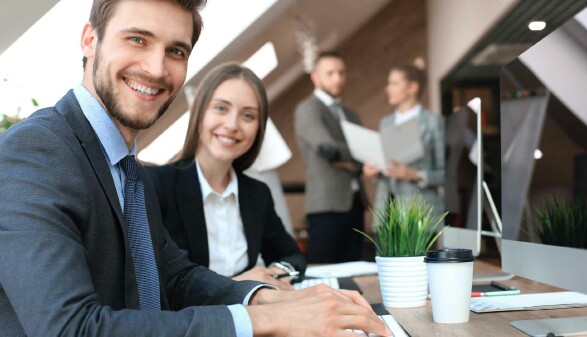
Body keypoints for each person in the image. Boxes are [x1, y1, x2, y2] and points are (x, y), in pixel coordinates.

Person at [0, 1, 391, 336]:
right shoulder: (36, 151)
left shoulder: (127, 168)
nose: (156, 68)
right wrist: (262, 319)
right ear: (90, 39)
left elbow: (174, 276)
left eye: (176, 51)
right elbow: (71, 329)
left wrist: (275, 298)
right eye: (137, 39)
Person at [146, 63, 304, 290]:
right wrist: (240, 285)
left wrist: (277, 273)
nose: (232, 125)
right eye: (221, 108)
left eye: (248, 116)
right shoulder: (157, 184)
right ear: (200, 113)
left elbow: (291, 256)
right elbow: (159, 286)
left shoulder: (256, 194)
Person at [294, 51, 367, 264]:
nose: (337, 78)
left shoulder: (351, 114)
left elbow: (354, 155)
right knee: (323, 269)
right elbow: (327, 148)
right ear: (315, 77)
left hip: (355, 202)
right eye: (330, 73)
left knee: (354, 268)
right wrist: (358, 157)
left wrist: (349, 161)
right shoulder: (308, 109)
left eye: (341, 73)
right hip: (326, 204)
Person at [363, 64, 445, 218]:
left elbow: (445, 173)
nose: (388, 89)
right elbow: (384, 169)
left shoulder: (433, 122)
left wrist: (415, 174)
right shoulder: (385, 123)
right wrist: (374, 172)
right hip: (386, 210)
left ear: (412, 87)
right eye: (389, 83)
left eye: (394, 83)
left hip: (419, 212)